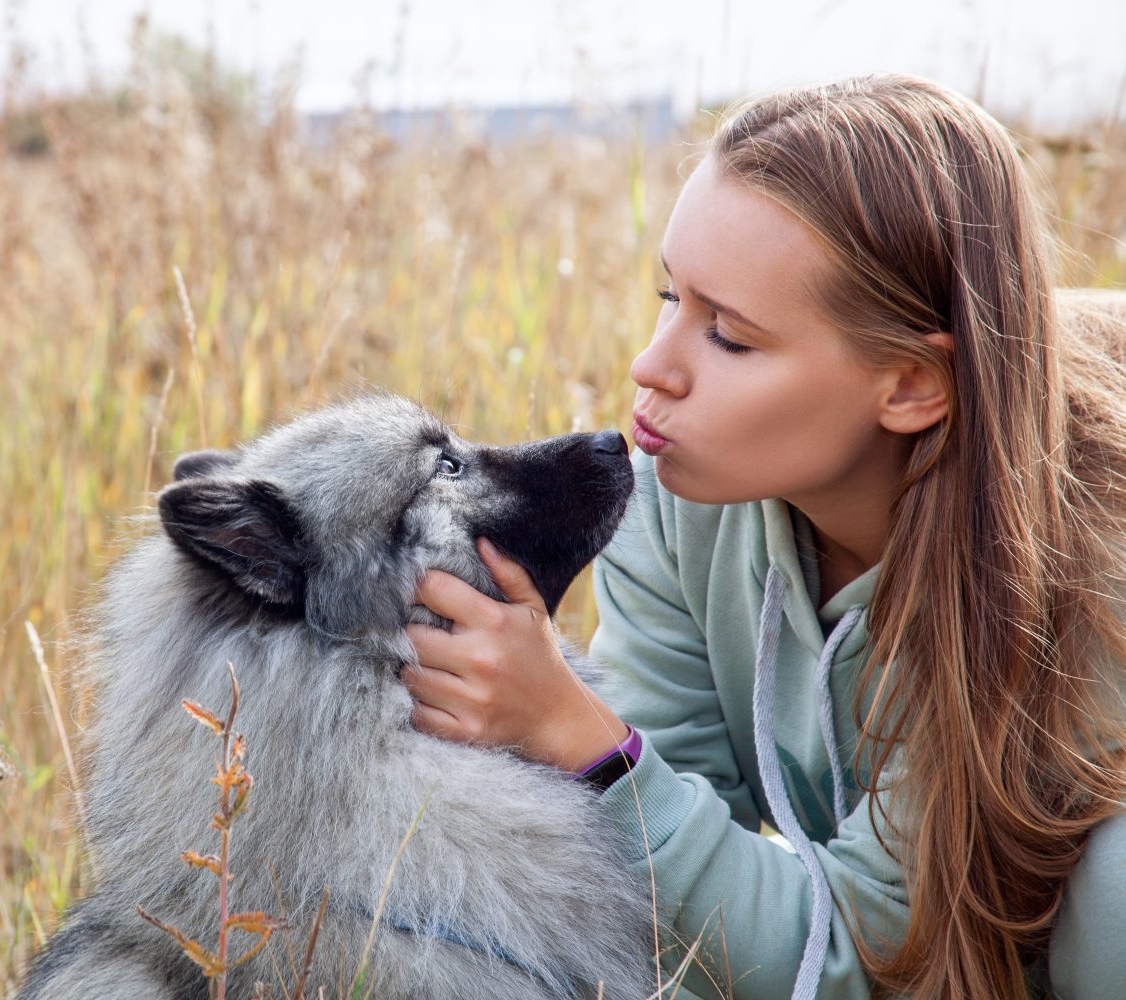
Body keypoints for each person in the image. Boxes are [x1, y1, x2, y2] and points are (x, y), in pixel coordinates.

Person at [400, 74, 1126, 1000]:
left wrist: (584, 743)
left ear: (910, 385)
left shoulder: (1087, 557)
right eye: (671, 296)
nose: (651, 366)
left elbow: (854, 958)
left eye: (730, 339)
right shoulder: (672, 498)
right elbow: (668, 920)